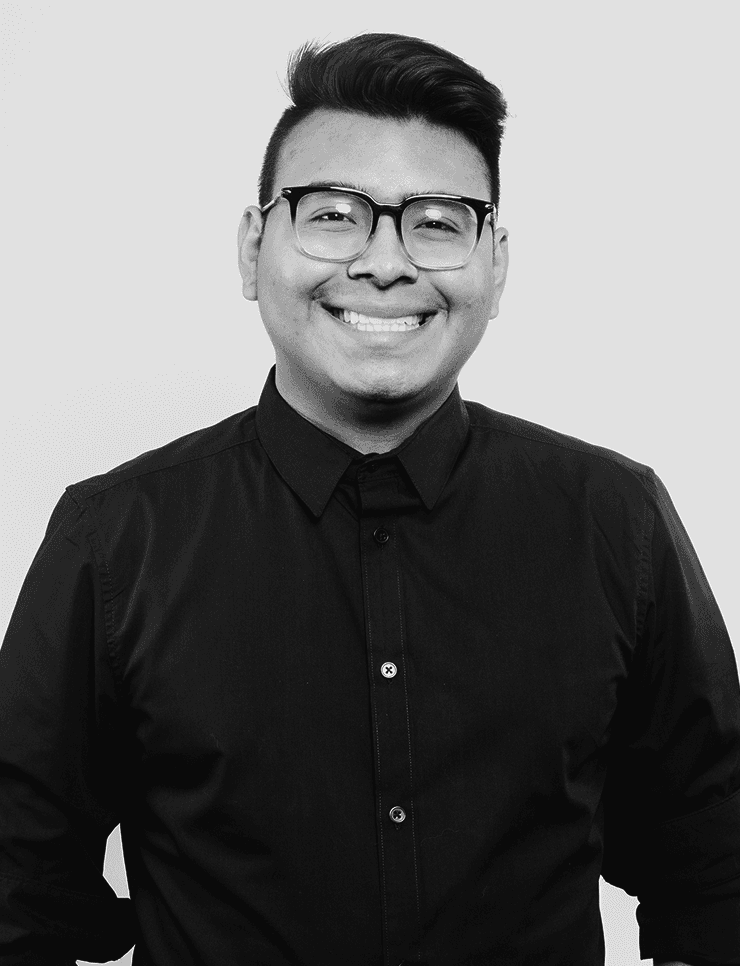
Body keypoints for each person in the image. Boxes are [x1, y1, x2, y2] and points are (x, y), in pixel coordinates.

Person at [0, 32, 738, 966]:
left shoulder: (615, 519)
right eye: (334, 214)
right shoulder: (114, 538)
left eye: (437, 222)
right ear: (253, 249)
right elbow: (17, 892)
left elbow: (713, 869)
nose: (386, 263)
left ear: (495, 265)